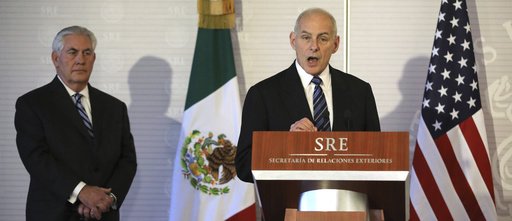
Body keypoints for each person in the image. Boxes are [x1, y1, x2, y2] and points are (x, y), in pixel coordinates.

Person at [235, 8, 381, 183]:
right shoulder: (263, 94)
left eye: (323, 38)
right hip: (290, 206)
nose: (314, 46)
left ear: (335, 44)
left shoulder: (360, 92)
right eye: (306, 37)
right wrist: (286, 145)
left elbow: (377, 158)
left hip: (347, 204)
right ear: (293, 41)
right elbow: (244, 166)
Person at [14, 26, 137, 221]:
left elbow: (127, 160)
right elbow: (36, 158)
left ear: (94, 59)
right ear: (56, 59)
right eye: (72, 52)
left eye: (87, 53)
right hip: (53, 214)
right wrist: (82, 192)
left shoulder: (115, 107)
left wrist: (106, 199)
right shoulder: (32, 104)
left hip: (103, 215)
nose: (81, 59)